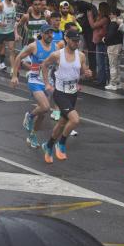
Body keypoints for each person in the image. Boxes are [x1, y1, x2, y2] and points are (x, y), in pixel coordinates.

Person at [39, 30, 92, 162]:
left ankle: (49, 145)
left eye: (77, 41)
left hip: (72, 93)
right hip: (60, 93)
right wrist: (47, 84)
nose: (76, 43)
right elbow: (44, 65)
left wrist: (87, 73)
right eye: (73, 40)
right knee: (74, 119)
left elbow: (82, 72)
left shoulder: (81, 56)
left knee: (62, 123)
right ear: (66, 39)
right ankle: (61, 143)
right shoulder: (57, 55)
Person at [11, 23, 57, 152]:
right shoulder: (34, 46)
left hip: (48, 82)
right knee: (46, 106)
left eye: (51, 33)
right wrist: (15, 76)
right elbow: (19, 57)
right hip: (34, 80)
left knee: (43, 113)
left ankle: (32, 135)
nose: (50, 35)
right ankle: (29, 117)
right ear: (42, 34)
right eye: (47, 33)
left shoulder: (56, 47)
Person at [87, 2, 110, 87]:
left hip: (101, 41)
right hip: (98, 41)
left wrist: (89, 16)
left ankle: (101, 80)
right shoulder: (100, 17)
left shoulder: (105, 19)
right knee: (99, 62)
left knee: (101, 62)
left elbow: (93, 26)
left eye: (99, 8)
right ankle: (101, 79)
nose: (98, 10)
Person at [104, 8, 124, 90]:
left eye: (110, 14)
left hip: (112, 45)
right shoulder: (120, 22)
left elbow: (110, 35)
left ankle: (113, 83)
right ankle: (118, 82)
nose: (109, 16)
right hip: (119, 44)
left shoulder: (113, 23)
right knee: (117, 64)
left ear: (114, 14)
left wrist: (105, 39)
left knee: (112, 64)